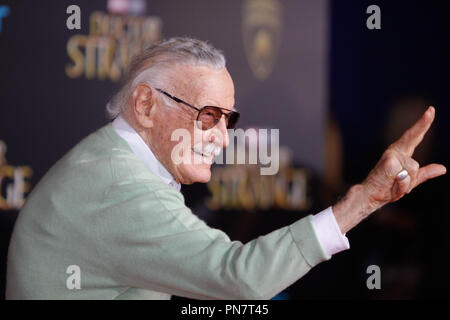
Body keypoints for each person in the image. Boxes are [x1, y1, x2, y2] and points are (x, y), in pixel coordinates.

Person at [6, 37, 446, 299]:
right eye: (208, 115)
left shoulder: (113, 162)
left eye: (229, 119)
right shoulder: (119, 186)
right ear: (145, 105)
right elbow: (242, 278)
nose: (222, 136)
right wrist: (361, 201)